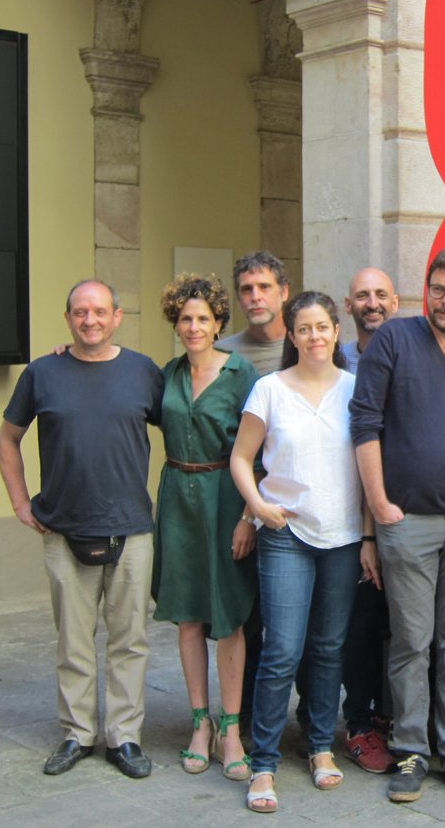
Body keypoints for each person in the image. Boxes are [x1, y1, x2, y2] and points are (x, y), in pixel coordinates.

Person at [349, 247, 445, 805]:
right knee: (411, 643)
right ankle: (411, 751)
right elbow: (364, 423)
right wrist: (379, 504)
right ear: (426, 290)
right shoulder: (395, 339)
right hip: (407, 520)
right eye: (438, 289)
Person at [0, 279, 162, 779]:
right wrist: (20, 502)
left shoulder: (144, 372)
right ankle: (77, 733)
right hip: (63, 529)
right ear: (68, 318)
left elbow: (182, 426)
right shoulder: (42, 373)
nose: (90, 320)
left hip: (131, 528)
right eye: (80, 312)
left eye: (100, 311)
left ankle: (124, 737)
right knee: (73, 641)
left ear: (117, 317)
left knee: (129, 640)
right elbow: (7, 438)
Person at [230, 291, 379, 814]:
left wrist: (367, 538)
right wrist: (256, 507)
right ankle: (263, 763)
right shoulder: (269, 390)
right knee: (281, 651)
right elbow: (242, 458)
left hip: (342, 537)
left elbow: (368, 473)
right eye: (304, 329)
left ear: (336, 331)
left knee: (328, 647)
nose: (314, 336)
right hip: (286, 534)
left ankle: (319, 746)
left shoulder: (357, 390)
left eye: (322, 327)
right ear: (292, 336)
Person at [295, 266, 401, 775]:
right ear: (348, 306)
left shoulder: (411, 350)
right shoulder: (331, 362)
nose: (372, 303)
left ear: (395, 302)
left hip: (402, 512)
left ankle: (382, 717)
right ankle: (340, 721)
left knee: (391, 627)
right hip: (347, 521)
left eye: (381, 294)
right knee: (347, 628)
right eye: (363, 295)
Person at [152, 274, 258, 779]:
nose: (193, 327)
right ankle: (201, 722)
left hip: (227, 498)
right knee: (189, 616)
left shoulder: (241, 373)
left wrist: (248, 516)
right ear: (175, 324)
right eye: (185, 318)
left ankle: (231, 729)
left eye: (203, 318)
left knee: (229, 617)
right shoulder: (166, 375)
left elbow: (261, 449)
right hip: (178, 500)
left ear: (218, 323)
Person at [215, 250, 291, 731]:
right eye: (246, 289)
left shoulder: (305, 343)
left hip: (294, 507)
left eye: (264, 287)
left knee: (294, 622)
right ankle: (241, 721)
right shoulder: (223, 353)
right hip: (240, 502)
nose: (255, 297)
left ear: (284, 292)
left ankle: (305, 725)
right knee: (246, 616)